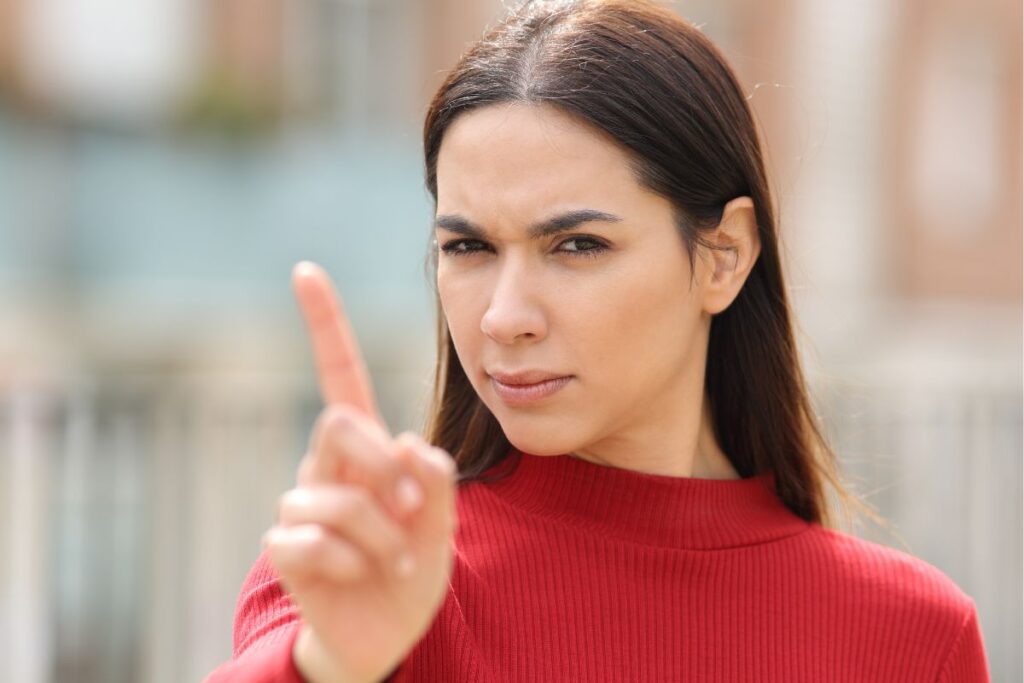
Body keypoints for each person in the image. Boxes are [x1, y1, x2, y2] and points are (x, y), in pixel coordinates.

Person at [204, 0, 991, 681]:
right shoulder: (367, 585)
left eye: (576, 245)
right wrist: (333, 666)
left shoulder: (912, 636)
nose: (503, 316)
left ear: (724, 255)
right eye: (468, 248)